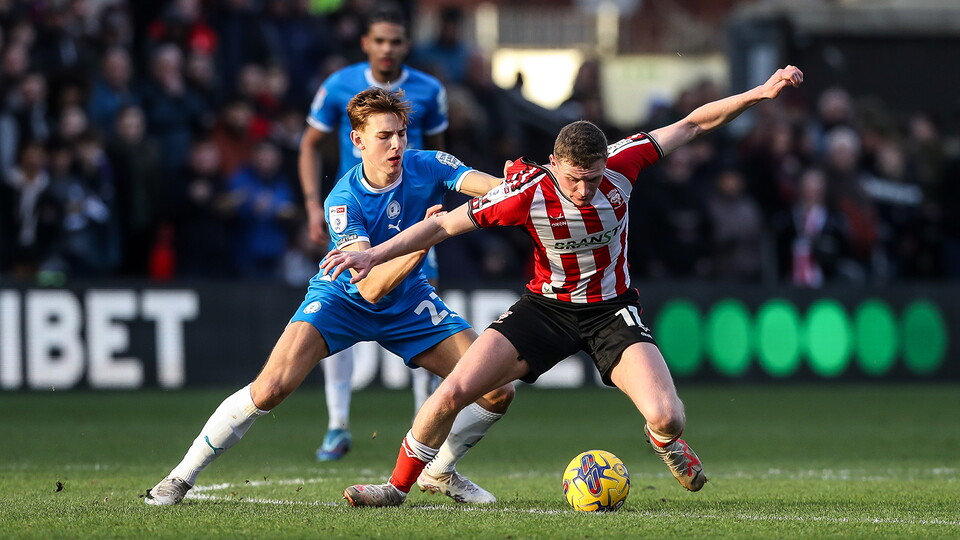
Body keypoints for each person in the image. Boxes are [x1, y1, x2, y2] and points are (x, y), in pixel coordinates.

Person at [321, 65, 804, 507]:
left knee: (667, 417)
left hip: (611, 310)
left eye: (593, 179)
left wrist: (760, 93)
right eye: (574, 179)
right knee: (453, 391)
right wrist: (373, 253)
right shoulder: (524, 194)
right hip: (544, 310)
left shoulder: (625, 162)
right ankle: (397, 487)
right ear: (554, 163)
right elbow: (443, 227)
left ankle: (665, 443)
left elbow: (694, 123)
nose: (583, 190)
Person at [145, 87, 514, 507]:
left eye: (402, 134)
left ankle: (439, 471)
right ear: (357, 141)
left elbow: (496, 189)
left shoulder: (428, 164)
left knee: (497, 388)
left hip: (410, 299)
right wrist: (426, 239)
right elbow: (370, 286)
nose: (396, 145)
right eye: (384, 136)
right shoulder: (343, 200)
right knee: (271, 388)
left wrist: (527, 185)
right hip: (343, 300)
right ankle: (179, 477)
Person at [298, 8, 449, 461]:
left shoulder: (430, 90)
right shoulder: (340, 85)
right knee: (340, 306)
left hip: (413, 218)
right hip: (358, 217)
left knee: (426, 311)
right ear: (366, 43)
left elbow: (438, 155)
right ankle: (337, 424)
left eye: (396, 42)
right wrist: (311, 204)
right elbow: (309, 144)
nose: (388, 49)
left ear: (406, 45)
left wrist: (439, 211)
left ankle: (424, 431)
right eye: (380, 41)